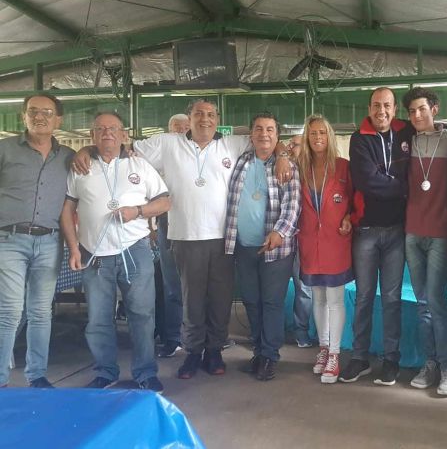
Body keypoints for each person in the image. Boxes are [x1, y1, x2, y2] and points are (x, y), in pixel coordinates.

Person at [72, 99, 291, 379]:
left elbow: (268, 141)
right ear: (190, 118)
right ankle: (193, 352)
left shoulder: (232, 144)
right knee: (191, 300)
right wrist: (86, 150)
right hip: (185, 237)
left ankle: (214, 351)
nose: (205, 119)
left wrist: (283, 154)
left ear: (217, 118)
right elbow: (122, 146)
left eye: (210, 114)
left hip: (224, 239)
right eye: (199, 114)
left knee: (220, 300)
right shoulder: (167, 143)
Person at [60, 112, 170, 392]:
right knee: (98, 319)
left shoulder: (140, 165)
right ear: (92, 135)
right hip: (94, 254)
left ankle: (145, 373)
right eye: (100, 129)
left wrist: (139, 211)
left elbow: (165, 202)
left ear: (123, 134)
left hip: (135, 251)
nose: (107, 133)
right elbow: (67, 210)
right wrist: (73, 248)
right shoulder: (81, 167)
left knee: (142, 315)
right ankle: (105, 372)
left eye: (113, 128)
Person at [339, 87, 415, 386]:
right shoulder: (359, 138)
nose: (381, 111)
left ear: (394, 109)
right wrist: (404, 187)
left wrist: (390, 183)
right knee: (364, 297)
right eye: (376, 105)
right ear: (369, 108)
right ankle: (359, 358)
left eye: (386, 105)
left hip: (397, 231)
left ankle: (391, 360)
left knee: (392, 299)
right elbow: (366, 182)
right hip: (367, 232)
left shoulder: (407, 132)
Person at [0, 94, 74, 388]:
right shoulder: (5, 149)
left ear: (59, 120)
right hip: (9, 239)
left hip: (50, 242)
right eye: (33, 111)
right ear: (23, 116)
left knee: (41, 312)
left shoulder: (69, 156)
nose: (39, 117)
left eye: (47, 112)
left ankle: (37, 375)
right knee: (10, 310)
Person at [226, 113, 301, 381]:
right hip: (243, 246)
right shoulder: (240, 162)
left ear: (277, 136)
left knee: (271, 302)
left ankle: (270, 356)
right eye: (259, 129)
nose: (264, 134)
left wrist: (280, 232)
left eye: (270, 129)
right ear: (251, 135)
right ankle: (258, 352)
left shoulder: (288, 166)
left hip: (275, 249)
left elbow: (293, 205)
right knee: (251, 301)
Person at [402, 87, 447, 396]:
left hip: (440, 232)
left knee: (437, 301)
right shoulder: (406, 141)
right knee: (422, 303)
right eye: (412, 111)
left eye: (422, 109)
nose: (417, 115)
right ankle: (430, 364)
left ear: (434, 109)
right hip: (412, 233)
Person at [296, 115, 353, 384]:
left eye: (322, 132)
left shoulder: (343, 167)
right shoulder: (301, 167)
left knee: (335, 300)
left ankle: (335, 354)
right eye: (312, 133)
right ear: (307, 138)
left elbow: (356, 199)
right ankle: (323, 347)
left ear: (329, 136)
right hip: (309, 242)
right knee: (317, 298)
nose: (317, 137)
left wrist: (349, 217)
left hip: (335, 241)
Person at [156, 113, 190, 358]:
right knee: (172, 285)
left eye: (184, 128)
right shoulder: (158, 158)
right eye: (175, 128)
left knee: (202, 286)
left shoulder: (201, 155)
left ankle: (208, 338)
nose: (180, 131)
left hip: (199, 226)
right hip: (166, 223)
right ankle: (173, 338)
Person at [287, 134, 314, 348]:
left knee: (304, 289)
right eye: (290, 144)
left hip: (305, 240)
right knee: (272, 290)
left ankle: (301, 331)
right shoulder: (282, 169)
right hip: (281, 239)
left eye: (295, 144)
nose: (291, 148)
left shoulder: (314, 173)